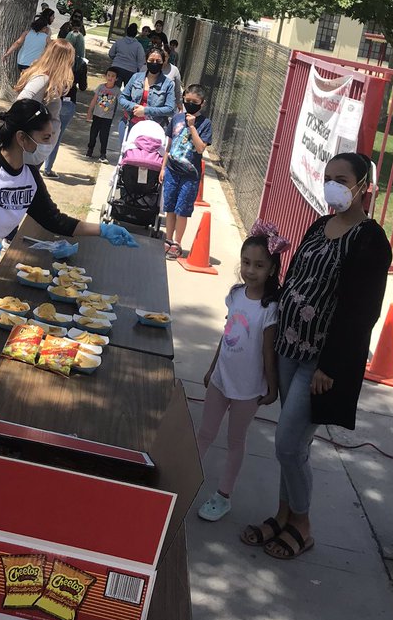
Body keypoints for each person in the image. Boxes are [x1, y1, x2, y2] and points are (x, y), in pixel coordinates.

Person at [242, 152, 391, 560]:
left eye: (342, 179)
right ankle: (283, 515)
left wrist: (331, 365)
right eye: (328, 178)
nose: (332, 186)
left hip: (320, 362)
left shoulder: (370, 239)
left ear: (363, 187)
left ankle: (302, 525)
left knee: (288, 444)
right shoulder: (319, 225)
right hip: (289, 348)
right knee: (294, 444)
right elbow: (294, 278)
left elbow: (363, 312)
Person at [0, 98, 137, 362]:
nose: (50, 144)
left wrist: (103, 230)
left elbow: (54, 220)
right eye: (46, 137)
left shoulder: (28, 176)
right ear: (21, 138)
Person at [197, 223, 286, 521]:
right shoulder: (235, 294)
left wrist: (272, 387)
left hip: (248, 389)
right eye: (246, 262)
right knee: (205, 433)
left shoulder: (270, 308)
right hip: (221, 380)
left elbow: (268, 351)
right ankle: (184, 477)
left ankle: (223, 496)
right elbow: (227, 334)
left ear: (272, 269)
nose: (250, 270)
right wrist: (212, 368)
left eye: (259, 265)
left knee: (235, 441)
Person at [160, 83, 213, 259]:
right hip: (172, 170)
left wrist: (192, 127)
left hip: (190, 175)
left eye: (194, 102)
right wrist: (163, 167)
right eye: (187, 100)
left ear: (202, 103)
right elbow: (168, 146)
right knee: (170, 207)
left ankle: (177, 243)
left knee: (182, 209)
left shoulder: (205, 124)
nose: (190, 104)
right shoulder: (176, 118)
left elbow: (200, 148)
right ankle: (168, 239)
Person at [16, 39, 76, 178]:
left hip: (39, 144)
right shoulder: (43, 79)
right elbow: (21, 103)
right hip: (34, 146)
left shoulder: (49, 79)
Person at [117, 47, 176, 151]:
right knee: (127, 156)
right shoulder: (136, 77)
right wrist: (133, 107)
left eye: (158, 61)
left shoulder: (168, 84)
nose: (154, 63)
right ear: (146, 60)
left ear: (163, 62)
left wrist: (145, 111)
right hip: (130, 124)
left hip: (152, 129)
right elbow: (122, 98)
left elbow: (170, 109)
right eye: (151, 60)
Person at [86, 67, 120, 161]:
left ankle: (103, 154)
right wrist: (89, 112)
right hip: (97, 115)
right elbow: (94, 100)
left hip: (107, 118)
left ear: (116, 78)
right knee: (93, 134)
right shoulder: (100, 87)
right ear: (105, 76)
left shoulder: (117, 91)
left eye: (113, 76)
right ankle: (90, 149)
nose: (110, 78)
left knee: (104, 136)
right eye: (108, 75)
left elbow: (122, 101)